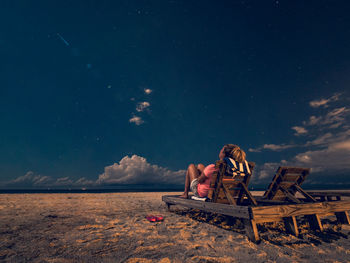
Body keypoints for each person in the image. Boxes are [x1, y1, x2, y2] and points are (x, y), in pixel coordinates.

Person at [179, 144, 249, 199]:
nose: (220, 150)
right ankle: (203, 175)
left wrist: (200, 175)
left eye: (221, 149)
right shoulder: (236, 169)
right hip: (228, 193)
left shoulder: (213, 167)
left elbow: (199, 180)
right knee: (200, 165)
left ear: (223, 154)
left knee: (191, 166)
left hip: (204, 193)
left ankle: (185, 193)